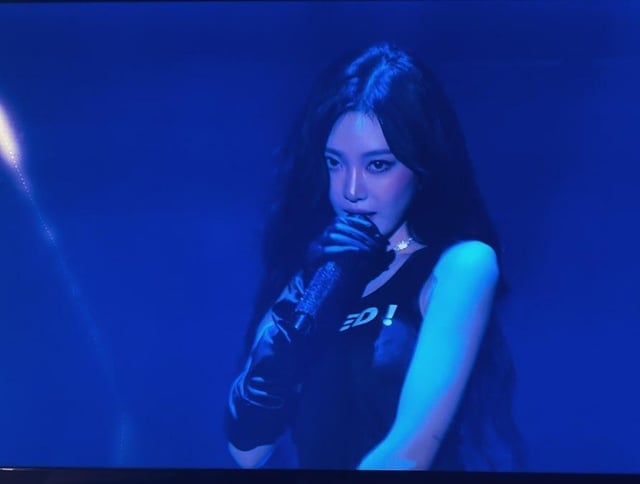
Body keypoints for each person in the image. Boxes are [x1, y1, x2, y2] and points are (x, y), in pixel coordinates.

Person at [224, 42, 524, 471]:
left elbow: (408, 454)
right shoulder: (311, 278)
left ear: (421, 167)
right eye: (335, 163)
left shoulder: (460, 266)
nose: (351, 190)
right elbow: (248, 451)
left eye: (377, 165)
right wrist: (308, 303)